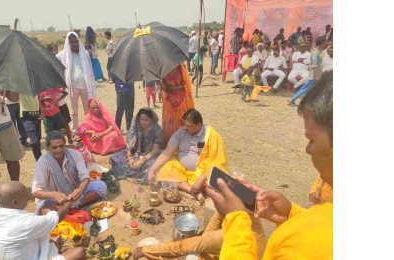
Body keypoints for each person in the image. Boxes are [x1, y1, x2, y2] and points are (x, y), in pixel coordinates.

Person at [205, 70, 333, 259]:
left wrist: (236, 220)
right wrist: (292, 215)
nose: (307, 149)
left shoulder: (301, 245)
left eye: (312, 140)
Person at [0, 181, 87, 260]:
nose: (28, 198)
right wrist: (70, 202)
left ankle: (51, 246)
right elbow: (56, 217)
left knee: (47, 238)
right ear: (15, 203)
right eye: (25, 195)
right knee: (80, 252)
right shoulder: (26, 222)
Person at [148, 109, 228, 203]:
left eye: (188, 125)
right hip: (181, 171)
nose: (185, 127)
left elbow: (218, 161)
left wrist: (200, 180)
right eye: (183, 124)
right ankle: (193, 191)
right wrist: (152, 170)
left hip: (203, 174)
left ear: (198, 125)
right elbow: (167, 153)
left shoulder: (212, 135)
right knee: (166, 168)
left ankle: (201, 188)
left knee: (218, 180)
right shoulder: (180, 132)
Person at [133, 205, 267, 260]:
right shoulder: (244, 216)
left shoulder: (231, 235)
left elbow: (182, 247)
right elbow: (218, 216)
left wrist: (145, 250)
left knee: (191, 255)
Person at [32, 131, 108, 209]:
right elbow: (35, 191)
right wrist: (54, 195)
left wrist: (79, 190)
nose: (59, 150)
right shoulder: (42, 162)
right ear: (47, 148)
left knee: (101, 186)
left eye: (61, 146)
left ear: (65, 145)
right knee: (45, 207)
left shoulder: (75, 154)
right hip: (54, 197)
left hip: (74, 193)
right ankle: (70, 206)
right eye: (54, 147)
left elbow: (85, 177)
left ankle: (69, 207)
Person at [0, 90, 25, 207]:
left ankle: (16, 189)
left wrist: (8, 88)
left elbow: (14, 98)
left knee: (12, 158)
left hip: (4, 123)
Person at [57, 31, 97, 132]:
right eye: (72, 42)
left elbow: (90, 69)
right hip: (72, 87)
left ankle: (89, 127)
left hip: (85, 86)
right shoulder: (63, 55)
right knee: (74, 111)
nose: (74, 44)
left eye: (76, 41)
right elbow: (55, 65)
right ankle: (74, 130)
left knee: (87, 109)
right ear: (68, 43)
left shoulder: (85, 54)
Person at [109, 108, 162, 180]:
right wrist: (130, 158)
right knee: (119, 158)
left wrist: (143, 161)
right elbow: (130, 145)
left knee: (151, 168)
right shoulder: (136, 127)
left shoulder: (157, 130)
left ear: (151, 120)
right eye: (141, 119)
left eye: (146, 120)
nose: (143, 122)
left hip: (149, 157)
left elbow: (156, 150)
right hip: (136, 153)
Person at [159, 63, 195, 148]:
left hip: (181, 99)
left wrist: (174, 88)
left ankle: (183, 145)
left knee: (181, 121)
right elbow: (162, 85)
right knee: (169, 122)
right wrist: (164, 85)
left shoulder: (180, 64)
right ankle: (170, 146)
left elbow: (185, 84)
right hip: (168, 101)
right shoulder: (161, 65)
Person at [289, 36, 327, 106]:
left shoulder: (318, 52)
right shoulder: (315, 53)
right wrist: (317, 76)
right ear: (322, 43)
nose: (326, 45)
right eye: (325, 43)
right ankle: (292, 100)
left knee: (310, 89)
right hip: (314, 75)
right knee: (305, 89)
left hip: (316, 75)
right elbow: (314, 65)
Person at [20, 93, 44, 161]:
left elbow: (38, 100)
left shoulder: (34, 88)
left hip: (37, 116)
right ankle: (39, 162)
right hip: (26, 117)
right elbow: (14, 99)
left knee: (38, 139)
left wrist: (42, 112)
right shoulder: (20, 89)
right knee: (35, 141)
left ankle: (40, 161)